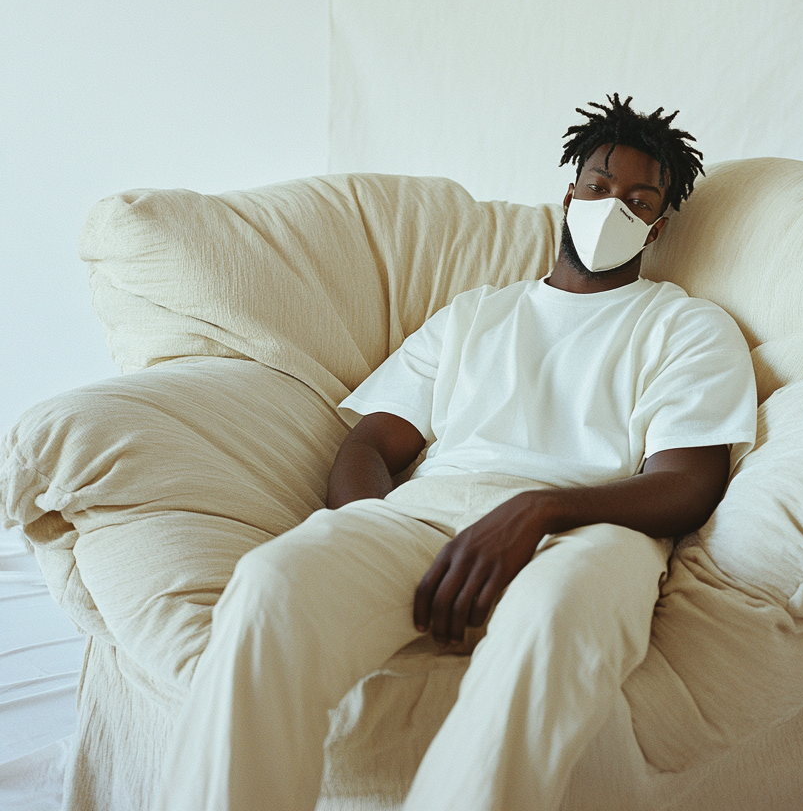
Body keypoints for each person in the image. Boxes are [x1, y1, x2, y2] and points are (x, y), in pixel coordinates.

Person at [157, 94, 757, 811]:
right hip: (427, 515)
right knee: (268, 588)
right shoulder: (477, 314)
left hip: (594, 529)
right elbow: (371, 441)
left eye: (638, 199)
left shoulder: (686, 326)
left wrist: (539, 510)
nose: (612, 206)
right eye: (599, 186)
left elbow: (689, 484)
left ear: (657, 226)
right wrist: (368, 529)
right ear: (569, 195)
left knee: (553, 620)